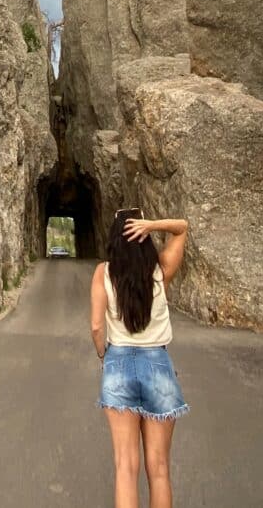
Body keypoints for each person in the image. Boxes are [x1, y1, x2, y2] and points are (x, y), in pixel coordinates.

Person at [90, 209, 189, 508]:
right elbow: (182, 228)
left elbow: (97, 326)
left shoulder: (103, 274)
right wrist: (153, 225)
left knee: (125, 467)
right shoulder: (161, 269)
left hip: (118, 364)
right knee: (158, 469)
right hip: (158, 365)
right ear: (144, 237)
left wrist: (103, 356)